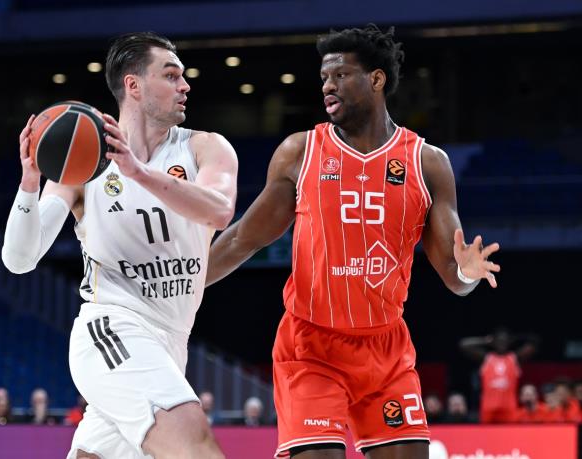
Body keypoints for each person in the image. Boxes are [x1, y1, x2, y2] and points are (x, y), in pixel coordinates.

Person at [206, 24, 500, 459]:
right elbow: (242, 240)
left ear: (376, 79)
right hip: (311, 347)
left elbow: (455, 280)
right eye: (324, 77)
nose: (328, 85)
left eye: (341, 75)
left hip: (385, 350)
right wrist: (178, 288)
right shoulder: (300, 153)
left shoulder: (427, 163)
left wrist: (468, 273)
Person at [2, 31, 237, 459]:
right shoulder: (85, 162)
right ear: (134, 85)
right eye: (171, 75)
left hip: (171, 343)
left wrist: (139, 173)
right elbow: (20, 259)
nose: (185, 86)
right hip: (111, 329)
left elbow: (219, 211)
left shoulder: (205, 147)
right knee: (194, 442)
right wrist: (29, 183)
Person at [460, 328, 537, 424]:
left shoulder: (515, 358)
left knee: (509, 433)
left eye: (505, 340)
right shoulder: (486, 358)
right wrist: (485, 341)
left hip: (509, 409)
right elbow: (463, 345)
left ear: (508, 342)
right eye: (499, 340)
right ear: (494, 342)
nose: (502, 343)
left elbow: (534, 341)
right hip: (488, 408)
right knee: (486, 433)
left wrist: (515, 339)